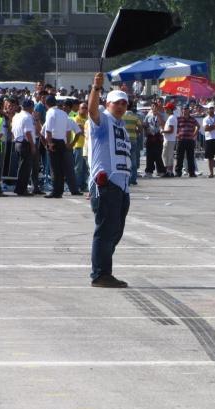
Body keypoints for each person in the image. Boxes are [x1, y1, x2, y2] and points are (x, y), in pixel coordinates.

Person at [87, 73, 132, 288]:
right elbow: (92, 111)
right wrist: (96, 88)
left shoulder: (121, 127)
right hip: (106, 185)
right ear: (108, 104)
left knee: (115, 231)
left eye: (124, 103)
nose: (121, 106)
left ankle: (104, 268)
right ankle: (100, 274)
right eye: (117, 103)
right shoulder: (103, 120)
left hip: (121, 187)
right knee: (105, 231)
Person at [44, 95, 83, 198]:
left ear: (46, 104)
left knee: (55, 168)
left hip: (54, 141)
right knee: (60, 169)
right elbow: (68, 130)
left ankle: (55, 191)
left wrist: (49, 143)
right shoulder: (63, 114)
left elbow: (48, 129)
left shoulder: (50, 112)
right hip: (62, 142)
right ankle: (59, 191)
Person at [11, 99, 36, 196]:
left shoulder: (16, 116)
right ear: (30, 107)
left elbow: (12, 130)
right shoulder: (28, 117)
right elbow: (28, 132)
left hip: (17, 142)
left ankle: (19, 188)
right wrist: (33, 146)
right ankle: (22, 189)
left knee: (21, 168)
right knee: (25, 169)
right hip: (25, 144)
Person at [175, 105, 200, 177]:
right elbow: (175, 127)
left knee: (190, 157)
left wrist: (194, 134)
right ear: (182, 110)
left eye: (187, 109)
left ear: (189, 111)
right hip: (181, 140)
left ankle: (191, 172)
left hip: (190, 140)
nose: (185, 110)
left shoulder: (192, 119)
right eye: (184, 109)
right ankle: (178, 172)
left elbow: (198, 126)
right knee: (179, 157)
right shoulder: (178, 119)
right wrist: (177, 134)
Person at [143, 103, 167, 177]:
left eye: (155, 106)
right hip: (150, 136)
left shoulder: (162, 115)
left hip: (158, 136)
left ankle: (161, 171)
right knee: (149, 155)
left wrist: (158, 115)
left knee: (158, 155)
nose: (154, 108)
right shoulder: (148, 116)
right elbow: (145, 125)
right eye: (153, 106)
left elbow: (163, 124)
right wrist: (146, 130)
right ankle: (149, 171)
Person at [122, 102, 143, 186]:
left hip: (124, 140)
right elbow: (140, 128)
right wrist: (136, 132)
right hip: (133, 139)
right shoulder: (135, 117)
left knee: (124, 160)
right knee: (133, 159)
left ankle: (126, 178)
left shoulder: (122, 117)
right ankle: (133, 179)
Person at [72, 102, 90, 192]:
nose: (85, 109)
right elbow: (81, 130)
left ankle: (83, 185)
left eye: (86, 108)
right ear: (79, 109)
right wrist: (85, 130)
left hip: (86, 147)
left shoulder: (88, 119)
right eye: (83, 108)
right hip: (78, 146)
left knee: (85, 168)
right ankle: (77, 185)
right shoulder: (76, 119)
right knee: (78, 168)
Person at [161, 102, 177, 177]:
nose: (165, 110)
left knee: (166, 156)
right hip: (170, 139)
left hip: (169, 140)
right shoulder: (172, 117)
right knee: (168, 156)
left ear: (170, 109)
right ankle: (169, 171)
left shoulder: (171, 118)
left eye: (166, 108)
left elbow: (171, 130)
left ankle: (169, 171)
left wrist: (163, 131)